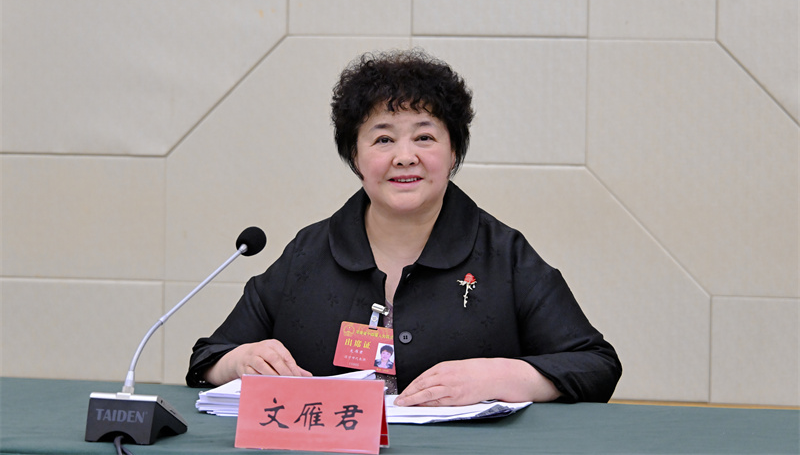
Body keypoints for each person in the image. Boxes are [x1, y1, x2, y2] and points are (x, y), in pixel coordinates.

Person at [187, 49, 622, 406]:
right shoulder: (308, 252)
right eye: (383, 139)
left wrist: (504, 376)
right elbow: (208, 357)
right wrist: (240, 362)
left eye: (425, 137)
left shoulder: (502, 253)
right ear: (355, 157)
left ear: (453, 152)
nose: (405, 156)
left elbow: (595, 364)